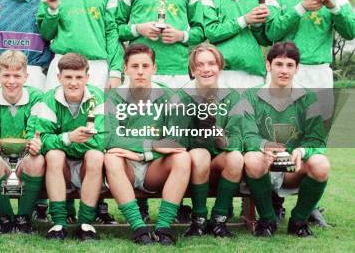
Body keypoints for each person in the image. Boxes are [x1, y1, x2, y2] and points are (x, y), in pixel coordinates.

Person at [238, 42, 330, 237]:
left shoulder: (309, 98)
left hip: (292, 168)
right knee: (252, 158)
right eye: (279, 64)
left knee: (321, 164)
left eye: (290, 65)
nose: (284, 70)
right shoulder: (250, 96)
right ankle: (267, 219)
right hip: (263, 165)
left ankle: (299, 221)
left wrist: (301, 151)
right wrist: (264, 146)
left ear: (297, 69)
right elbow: (247, 135)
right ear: (268, 65)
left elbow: (317, 140)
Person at [104, 44, 190, 245]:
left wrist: (145, 153)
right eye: (134, 66)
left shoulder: (171, 96)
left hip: (154, 167)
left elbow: (177, 141)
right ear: (125, 69)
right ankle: (138, 228)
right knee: (110, 157)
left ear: (154, 68)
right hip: (126, 167)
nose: (140, 71)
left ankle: (163, 227)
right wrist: (152, 144)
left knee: (183, 157)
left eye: (145, 65)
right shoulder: (113, 98)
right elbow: (110, 139)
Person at [32, 53, 106, 241]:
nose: (74, 83)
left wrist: (68, 143)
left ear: (87, 78)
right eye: (68, 77)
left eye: (79, 77)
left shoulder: (98, 97)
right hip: (60, 167)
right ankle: (58, 223)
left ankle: (86, 223)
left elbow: (103, 139)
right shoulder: (49, 99)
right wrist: (68, 138)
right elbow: (43, 140)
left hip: (87, 167)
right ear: (59, 78)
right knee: (54, 155)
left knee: (96, 155)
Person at [177, 44, 243, 238]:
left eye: (212, 63)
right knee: (200, 154)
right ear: (192, 69)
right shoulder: (182, 96)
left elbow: (239, 138)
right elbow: (175, 137)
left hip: (218, 163)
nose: (206, 69)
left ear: (220, 67)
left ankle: (219, 219)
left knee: (236, 157)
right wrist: (198, 136)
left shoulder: (232, 96)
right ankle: (198, 219)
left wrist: (221, 138)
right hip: (191, 165)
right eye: (200, 64)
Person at [0, 50, 45, 233]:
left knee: (37, 159)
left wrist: (35, 144)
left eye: (17, 75)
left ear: (26, 76)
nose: (11, 81)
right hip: (0, 159)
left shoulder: (36, 97)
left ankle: (24, 218)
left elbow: (35, 131)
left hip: (25, 158)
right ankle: (5, 218)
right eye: (6, 75)